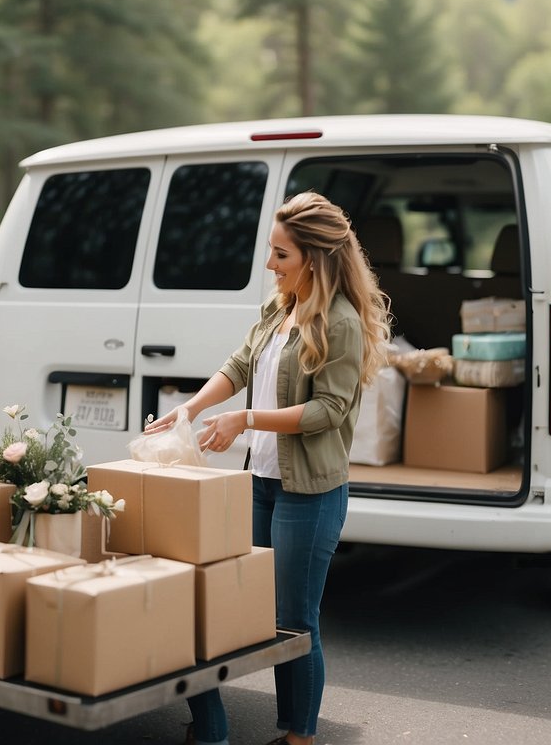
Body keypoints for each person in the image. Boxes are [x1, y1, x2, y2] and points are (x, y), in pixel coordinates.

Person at [146, 192, 391, 745]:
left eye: (281, 255)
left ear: (315, 259)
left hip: (310, 494)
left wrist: (247, 419)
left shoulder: (342, 324)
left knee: (294, 619)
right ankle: (210, 727)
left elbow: (329, 411)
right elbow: (238, 364)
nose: (270, 265)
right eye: (271, 252)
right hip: (259, 485)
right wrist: (191, 407)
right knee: (229, 602)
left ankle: (297, 736)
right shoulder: (279, 309)